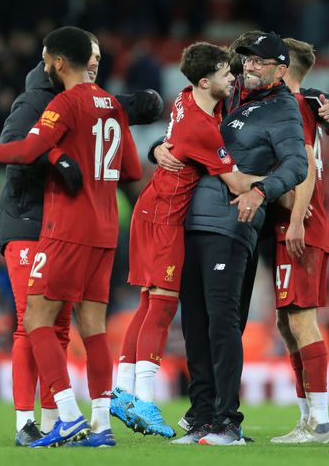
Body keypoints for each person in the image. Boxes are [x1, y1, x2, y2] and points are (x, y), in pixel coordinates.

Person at [0, 26, 142, 448]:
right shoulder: (114, 106)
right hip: (107, 230)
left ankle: (66, 415)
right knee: (94, 328)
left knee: (35, 321)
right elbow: (132, 172)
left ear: (58, 62)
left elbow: (26, 151)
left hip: (67, 228)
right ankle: (101, 426)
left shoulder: (64, 103)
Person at [110, 42, 262, 439]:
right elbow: (236, 182)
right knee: (161, 305)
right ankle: (143, 399)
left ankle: (123, 388)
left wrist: (157, 148)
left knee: (147, 302)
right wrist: (280, 182)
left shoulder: (183, 100)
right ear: (205, 80)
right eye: (228, 73)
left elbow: (170, 140)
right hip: (164, 216)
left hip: (152, 209)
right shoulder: (202, 128)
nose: (235, 78)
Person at [176, 32, 307, 446]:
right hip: (192, 220)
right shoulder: (230, 96)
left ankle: (227, 422)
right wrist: (156, 152)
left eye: (259, 61)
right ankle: (200, 418)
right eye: (246, 59)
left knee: (221, 322)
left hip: (231, 226)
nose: (248, 66)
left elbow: (297, 166)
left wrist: (260, 190)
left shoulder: (282, 109)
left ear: (281, 70)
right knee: (194, 325)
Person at [269, 37, 329, 444]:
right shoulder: (302, 103)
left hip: (302, 226)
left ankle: (321, 422)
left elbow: (305, 163)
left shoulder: (293, 104)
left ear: (284, 66)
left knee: (301, 319)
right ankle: (307, 416)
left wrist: (295, 221)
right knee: (286, 321)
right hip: (290, 224)